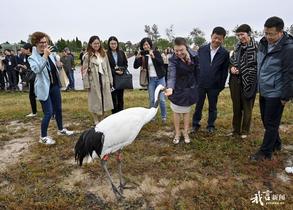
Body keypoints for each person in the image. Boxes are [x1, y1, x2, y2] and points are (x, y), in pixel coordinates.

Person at [250, 17, 293, 161]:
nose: (268, 36)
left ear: (281, 32)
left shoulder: (288, 49)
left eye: (271, 34)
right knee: (266, 120)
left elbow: (289, 74)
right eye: (266, 33)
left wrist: (285, 96)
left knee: (271, 123)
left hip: (276, 92)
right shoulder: (263, 43)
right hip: (264, 89)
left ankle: (265, 152)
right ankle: (276, 143)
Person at [28, 32, 74, 145]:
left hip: (54, 86)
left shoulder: (51, 54)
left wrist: (58, 64)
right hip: (44, 88)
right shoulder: (32, 58)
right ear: (36, 43)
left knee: (58, 109)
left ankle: (61, 129)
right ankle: (43, 137)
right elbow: (37, 70)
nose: (44, 44)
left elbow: (53, 68)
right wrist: (45, 56)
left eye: (45, 42)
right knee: (48, 112)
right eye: (41, 42)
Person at [192, 27, 229, 134]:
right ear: (211, 36)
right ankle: (195, 124)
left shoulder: (224, 53)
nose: (217, 40)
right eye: (215, 37)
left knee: (213, 107)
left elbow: (224, 71)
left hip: (214, 86)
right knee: (198, 105)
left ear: (223, 39)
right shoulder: (202, 49)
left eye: (220, 39)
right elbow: (196, 66)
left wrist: (221, 85)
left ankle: (211, 125)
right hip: (201, 84)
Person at [165, 37, 199, 144]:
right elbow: (171, 74)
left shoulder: (195, 56)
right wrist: (170, 87)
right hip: (177, 89)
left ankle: (186, 132)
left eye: (181, 50)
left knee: (186, 112)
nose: (179, 53)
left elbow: (198, 71)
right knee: (176, 111)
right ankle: (177, 133)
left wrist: (198, 85)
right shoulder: (172, 59)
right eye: (176, 51)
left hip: (190, 88)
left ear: (186, 48)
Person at [229, 24, 258, 139]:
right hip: (235, 81)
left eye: (242, 34)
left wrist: (242, 70)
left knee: (247, 107)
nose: (240, 37)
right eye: (238, 35)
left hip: (249, 81)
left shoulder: (257, 47)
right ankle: (235, 130)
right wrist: (231, 68)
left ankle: (245, 130)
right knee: (236, 107)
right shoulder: (237, 47)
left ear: (249, 34)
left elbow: (258, 66)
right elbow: (232, 61)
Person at [134, 37, 167, 123]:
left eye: (147, 44)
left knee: (162, 99)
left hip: (160, 78)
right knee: (152, 99)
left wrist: (153, 56)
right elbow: (135, 66)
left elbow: (161, 63)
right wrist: (137, 57)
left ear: (150, 45)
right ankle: (152, 117)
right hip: (151, 80)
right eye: (144, 45)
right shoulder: (143, 55)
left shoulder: (156, 52)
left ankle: (164, 117)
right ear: (142, 46)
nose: (146, 46)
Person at [82, 35, 113, 125]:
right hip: (94, 81)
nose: (97, 45)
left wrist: (110, 81)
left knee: (104, 100)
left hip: (104, 80)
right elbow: (84, 71)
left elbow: (108, 68)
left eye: (98, 43)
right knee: (94, 102)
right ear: (91, 44)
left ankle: (102, 118)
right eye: (95, 43)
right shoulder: (87, 56)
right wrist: (87, 84)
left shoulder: (104, 54)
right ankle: (95, 119)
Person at [106, 36, 128, 114]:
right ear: (109, 44)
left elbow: (126, 64)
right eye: (111, 44)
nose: (113, 45)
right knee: (113, 97)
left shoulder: (121, 53)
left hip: (121, 78)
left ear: (117, 44)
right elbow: (105, 67)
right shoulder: (106, 54)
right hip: (111, 78)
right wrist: (115, 71)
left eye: (115, 43)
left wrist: (122, 70)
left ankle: (121, 113)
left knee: (120, 97)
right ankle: (114, 114)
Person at [22, 43, 38, 117]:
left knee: (42, 95)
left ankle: (50, 112)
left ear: (28, 49)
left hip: (37, 77)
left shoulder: (35, 55)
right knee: (31, 95)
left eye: (24, 49)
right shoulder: (25, 56)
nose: (23, 51)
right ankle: (34, 112)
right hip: (31, 78)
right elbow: (28, 67)